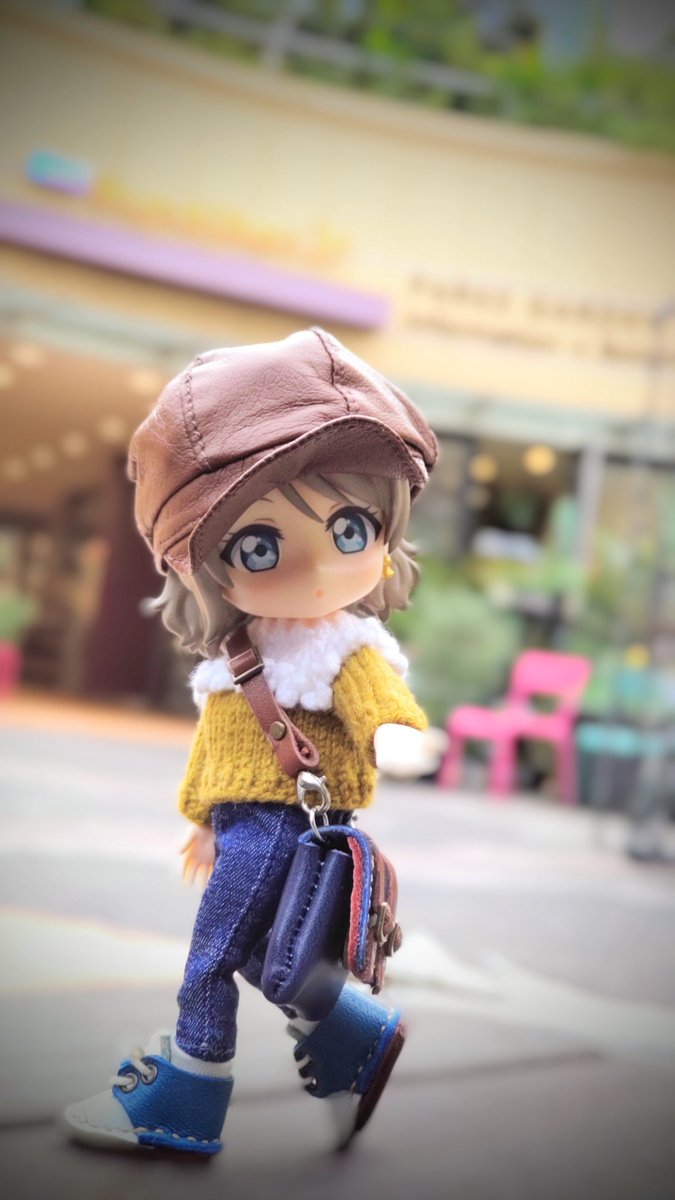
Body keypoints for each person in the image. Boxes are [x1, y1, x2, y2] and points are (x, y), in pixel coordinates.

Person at [63, 327, 438, 1155]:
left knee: (211, 957)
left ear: (385, 533)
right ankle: (355, 1036)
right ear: (203, 566)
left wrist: (396, 738)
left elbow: (379, 703)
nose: (316, 569)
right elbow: (221, 747)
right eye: (259, 546)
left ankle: (186, 1097)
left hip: (279, 827)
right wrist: (204, 820)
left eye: (350, 529)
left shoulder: (342, 647)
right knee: (269, 955)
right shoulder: (242, 655)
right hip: (246, 825)